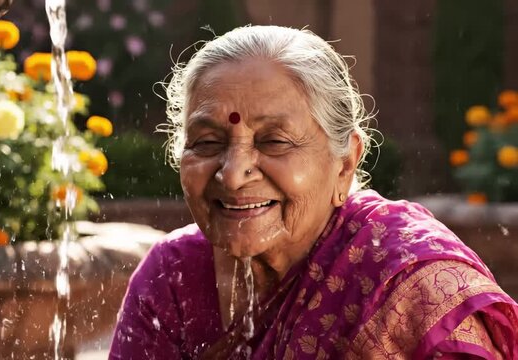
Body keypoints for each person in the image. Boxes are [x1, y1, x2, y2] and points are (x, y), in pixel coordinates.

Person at [109, 25, 518, 359]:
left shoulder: (409, 287)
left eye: (274, 141)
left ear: (344, 164)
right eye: (207, 143)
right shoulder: (173, 277)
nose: (232, 175)